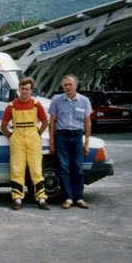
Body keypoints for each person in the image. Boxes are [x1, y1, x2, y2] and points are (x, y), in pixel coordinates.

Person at [1, 77, 49, 210]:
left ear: (31, 90)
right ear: (19, 89)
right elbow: (3, 126)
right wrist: (12, 136)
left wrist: (37, 133)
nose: (24, 91)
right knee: (17, 168)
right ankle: (17, 199)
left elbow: (45, 122)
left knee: (36, 168)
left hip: (33, 137)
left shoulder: (36, 104)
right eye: (22, 89)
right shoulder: (11, 106)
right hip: (17, 137)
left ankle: (41, 198)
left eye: (27, 89)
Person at [48, 74, 93, 209]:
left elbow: (87, 123)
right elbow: (52, 123)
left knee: (78, 168)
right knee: (64, 168)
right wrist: (51, 142)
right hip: (61, 136)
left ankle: (79, 198)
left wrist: (87, 143)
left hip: (77, 136)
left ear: (76, 86)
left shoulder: (84, 101)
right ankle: (68, 198)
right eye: (65, 85)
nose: (67, 87)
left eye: (70, 84)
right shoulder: (56, 101)